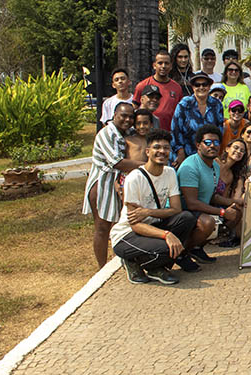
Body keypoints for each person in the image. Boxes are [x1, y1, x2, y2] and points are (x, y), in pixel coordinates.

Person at [110, 128, 194, 285]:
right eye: (157, 147)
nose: (162, 151)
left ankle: (157, 267)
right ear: (147, 152)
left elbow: (176, 209)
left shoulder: (169, 173)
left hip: (151, 225)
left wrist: (148, 212)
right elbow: (135, 224)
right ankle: (131, 261)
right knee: (165, 247)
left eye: (166, 148)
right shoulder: (134, 178)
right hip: (127, 235)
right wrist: (166, 235)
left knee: (186, 218)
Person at [83, 103, 145, 268]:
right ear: (114, 114)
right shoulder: (106, 133)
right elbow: (116, 162)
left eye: (131, 116)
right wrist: (148, 166)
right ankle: (102, 268)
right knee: (102, 227)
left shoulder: (127, 133)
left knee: (122, 224)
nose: (127, 119)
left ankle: (123, 261)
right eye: (123, 115)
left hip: (121, 182)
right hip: (103, 184)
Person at [177, 125, 242, 270]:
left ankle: (196, 248)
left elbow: (211, 196)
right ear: (198, 145)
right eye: (207, 142)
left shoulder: (215, 166)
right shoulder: (190, 166)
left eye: (216, 142)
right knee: (208, 222)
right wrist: (223, 212)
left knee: (237, 210)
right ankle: (181, 254)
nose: (212, 146)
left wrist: (234, 202)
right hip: (182, 213)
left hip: (200, 208)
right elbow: (192, 203)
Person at [170, 73, 224, 168]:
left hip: (208, 153)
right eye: (197, 85)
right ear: (193, 87)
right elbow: (176, 129)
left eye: (204, 84)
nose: (201, 87)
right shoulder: (184, 104)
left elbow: (219, 130)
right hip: (186, 153)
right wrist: (180, 152)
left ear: (209, 86)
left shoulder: (216, 104)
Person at [133, 50, 182, 132]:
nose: (163, 66)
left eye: (166, 63)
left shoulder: (177, 88)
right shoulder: (142, 86)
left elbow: (179, 113)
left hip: (169, 134)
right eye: (160, 63)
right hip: (146, 134)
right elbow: (134, 109)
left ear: (171, 66)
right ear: (154, 65)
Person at [214, 139, 248, 248]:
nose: (238, 152)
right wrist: (235, 201)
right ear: (227, 148)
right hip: (201, 201)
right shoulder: (215, 163)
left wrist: (233, 204)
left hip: (215, 205)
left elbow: (221, 199)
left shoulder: (230, 175)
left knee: (237, 210)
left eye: (242, 151)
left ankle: (219, 235)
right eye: (236, 148)